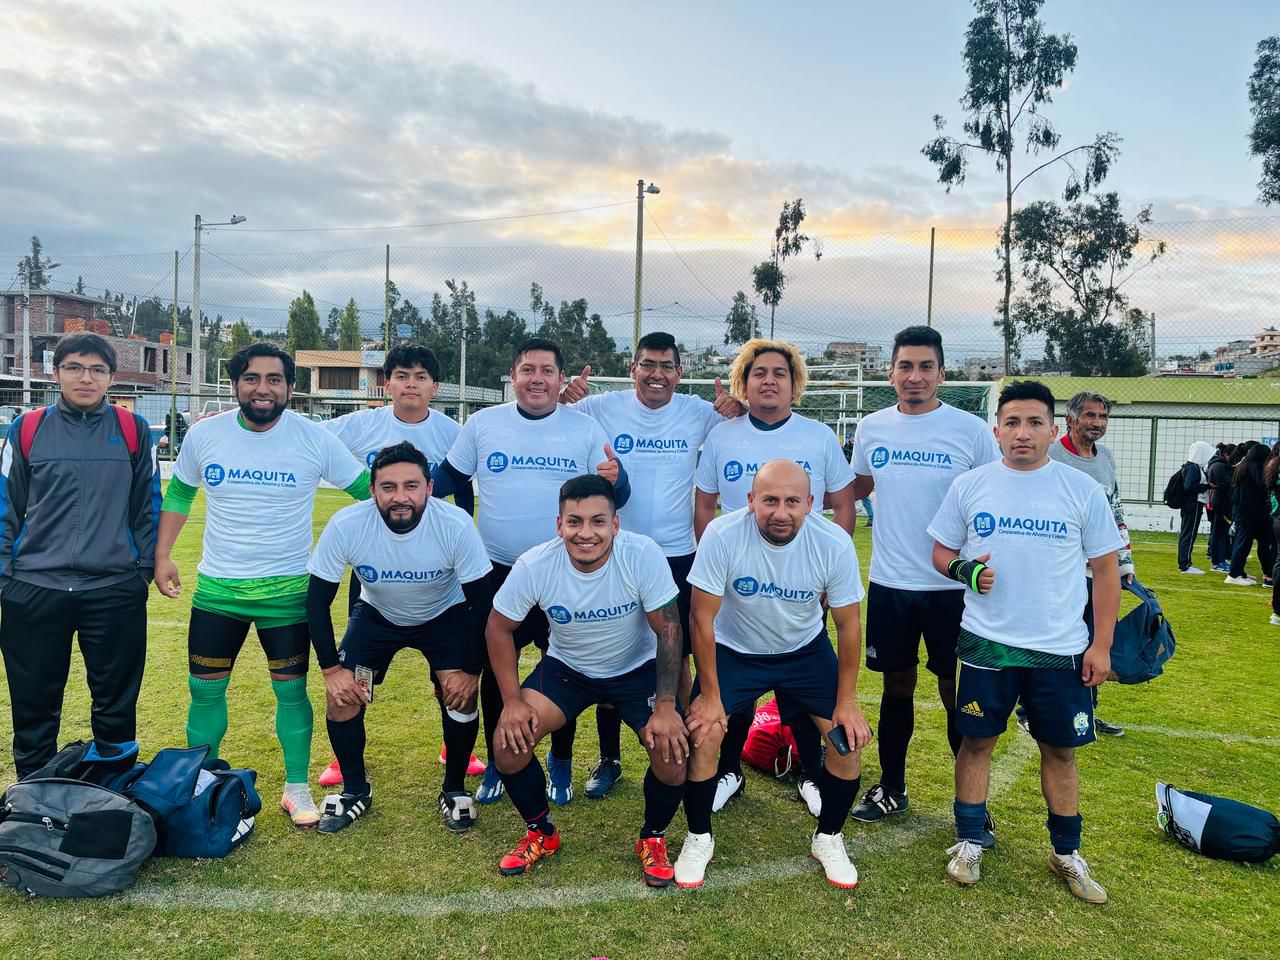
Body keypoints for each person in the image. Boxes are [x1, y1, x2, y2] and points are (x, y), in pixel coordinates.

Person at [155, 343, 370, 828]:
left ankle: (296, 788)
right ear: (235, 384)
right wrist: (163, 554)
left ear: (290, 387)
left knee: (292, 694)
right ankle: (200, 781)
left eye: (274, 379)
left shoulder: (314, 439)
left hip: (288, 595)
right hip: (219, 592)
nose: (263, 388)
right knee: (204, 692)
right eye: (252, 378)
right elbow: (181, 491)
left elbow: (366, 492)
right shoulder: (204, 434)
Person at [928, 380, 1122, 904]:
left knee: (1060, 750)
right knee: (975, 743)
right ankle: (969, 839)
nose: (1022, 433)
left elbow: (1106, 571)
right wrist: (967, 571)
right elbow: (942, 552)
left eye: (1034, 422)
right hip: (987, 645)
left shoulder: (1081, 490)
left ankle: (1066, 852)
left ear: (1053, 430)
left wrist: (1100, 645)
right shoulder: (970, 486)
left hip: (1059, 649)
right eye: (1012, 423)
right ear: (996, 431)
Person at [430, 338, 630, 806]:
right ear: (512, 377)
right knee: (494, 669)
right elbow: (447, 479)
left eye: (546, 370)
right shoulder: (482, 424)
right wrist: (395, 488)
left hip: (565, 571)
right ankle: (501, 761)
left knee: (564, 669)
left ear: (561, 380)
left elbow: (615, 498)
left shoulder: (584, 428)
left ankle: (560, 762)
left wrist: (618, 479)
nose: (536, 378)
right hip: (496, 572)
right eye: (527, 369)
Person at [555, 331, 743, 798]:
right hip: (617, 552)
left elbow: (740, 423)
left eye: (667, 366)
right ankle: (609, 757)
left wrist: (735, 409)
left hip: (679, 554)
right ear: (633, 368)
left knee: (675, 654)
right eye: (648, 365)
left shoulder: (699, 413)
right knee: (613, 651)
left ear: (680, 373)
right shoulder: (602, 407)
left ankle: (678, 744)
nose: (657, 374)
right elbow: (553, 419)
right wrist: (564, 397)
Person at [675, 460, 872, 889]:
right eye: (769, 500)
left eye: (792, 502)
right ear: (750, 501)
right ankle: (698, 836)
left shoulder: (833, 542)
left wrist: (847, 701)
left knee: (846, 741)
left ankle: (829, 838)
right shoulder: (723, 535)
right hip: (735, 651)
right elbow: (700, 620)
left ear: (810, 504)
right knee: (704, 733)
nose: (780, 512)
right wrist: (709, 696)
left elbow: (849, 625)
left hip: (804, 652)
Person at [486, 475, 687, 886]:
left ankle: (652, 837)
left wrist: (666, 706)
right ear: (559, 525)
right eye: (574, 522)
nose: (586, 533)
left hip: (635, 671)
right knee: (508, 745)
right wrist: (511, 701)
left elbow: (668, 629)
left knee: (672, 757)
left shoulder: (642, 554)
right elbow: (497, 628)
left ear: (615, 525)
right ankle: (541, 833)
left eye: (598, 521)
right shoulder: (536, 564)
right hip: (568, 671)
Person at [693, 338, 855, 814]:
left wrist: (828, 574)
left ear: (793, 383)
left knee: (801, 680)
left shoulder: (818, 436)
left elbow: (843, 504)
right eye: (758, 372)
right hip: (739, 582)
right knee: (731, 692)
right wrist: (715, 567)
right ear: (744, 382)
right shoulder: (723, 435)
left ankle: (812, 773)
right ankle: (727, 771)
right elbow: (705, 504)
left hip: (800, 583)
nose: (768, 380)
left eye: (778, 373)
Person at [846, 326, 999, 829]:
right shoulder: (871, 428)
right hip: (892, 584)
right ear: (890, 372)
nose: (915, 377)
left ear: (940, 372)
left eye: (926, 366)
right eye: (905, 366)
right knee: (897, 688)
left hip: (953, 588)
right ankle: (892, 787)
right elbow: (857, 485)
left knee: (957, 691)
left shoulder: (970, 432)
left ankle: (971, 803)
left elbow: (991, 496)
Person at [305, 443, 493, 833]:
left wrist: (471, 670)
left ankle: (454, 788)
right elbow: (316, 601)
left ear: (429, 487)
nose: (400, 497)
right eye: (388, 487)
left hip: (446, 616)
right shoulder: (347, 524)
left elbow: (483, 604)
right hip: (378, 617)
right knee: (344, 696)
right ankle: (356, 790)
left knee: (459, 694)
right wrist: (330, 670)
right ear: (372, 490)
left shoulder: (455, 524)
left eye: (411, 485)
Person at [317, 342, 480, 788]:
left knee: (447, 670)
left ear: (436, 386)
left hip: (437, 565)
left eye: (421, 377)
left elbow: (463, 485)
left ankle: (455, 748)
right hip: (377, 565)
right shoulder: (362, 423)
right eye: (402, 376)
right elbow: (309, 437)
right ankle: (345, 753)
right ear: (385, 382)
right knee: (362, 668)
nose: (411, 384)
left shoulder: (452, 432)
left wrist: (461, 519)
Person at [0, 334, 159, 778]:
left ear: (111, 377)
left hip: (112, 588)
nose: (85, 378)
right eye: (74, 367)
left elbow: (147, 504)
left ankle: (112, 790)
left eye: (97, 370)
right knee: (33, 702)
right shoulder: (28, 428)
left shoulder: (132, 430)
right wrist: (5, 575)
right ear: (56, 373)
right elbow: (5, 504)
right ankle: (31, 797)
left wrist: (141, 570)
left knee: (115, 702)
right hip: (33, 587)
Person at [1034, 391, 1135, 738]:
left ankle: (1086, 709)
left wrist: (1124, 562)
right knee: (1056, 640)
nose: (1097, 423)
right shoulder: (1052, 454)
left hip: (1100, 570)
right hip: (1062, 571)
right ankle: (1031, 709)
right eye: (1090, 416)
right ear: (1071, 420)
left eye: (1102, 417)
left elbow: (1115, 510)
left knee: (1095, 640)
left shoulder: (1105, 458)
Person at [1227, 442, 1273, 586]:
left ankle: (1240, 572)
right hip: (1248, 511)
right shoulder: (1253, 466)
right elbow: (1262, 484)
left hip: (1247, 510)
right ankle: (1234, 574)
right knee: (1244, 542)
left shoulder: (1244, 465)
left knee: (1250, 541)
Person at [1177, 441, 1213, 575]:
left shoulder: (1193, 466)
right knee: (1189, 533)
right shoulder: (1193, 468)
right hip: (1192, 504)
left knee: (1188, 532)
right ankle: (1185, 564)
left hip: (1192, 504)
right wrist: (1207, 486)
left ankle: (1186, 562)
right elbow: (1189, 487)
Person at [1206, 443, 1237, 573]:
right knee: (1219, 533)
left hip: (1220, 502)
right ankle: (1217, 561)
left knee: (1221, 533)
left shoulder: (1219, 465)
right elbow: (1227, 486)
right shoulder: (1219, 467)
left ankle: (1220, 559)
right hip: (1221, 503)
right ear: (1226, 455)